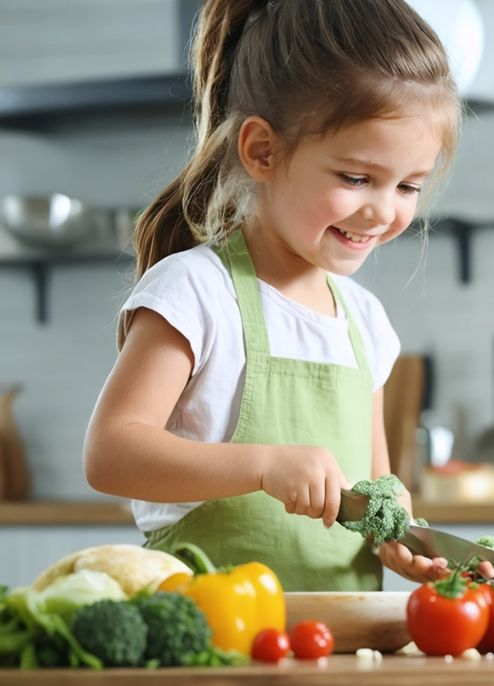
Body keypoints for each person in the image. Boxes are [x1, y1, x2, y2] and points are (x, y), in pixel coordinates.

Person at [83, 0, 462, 592]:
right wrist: (262, 465)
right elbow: (110, 454)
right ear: (262, 150)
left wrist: (398, 539)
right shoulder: (196, 292)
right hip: (216, 636)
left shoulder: (366, 322)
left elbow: (376, 487)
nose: (383, 211)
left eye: (408, 186)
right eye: (356, 178)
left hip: (343, 639)